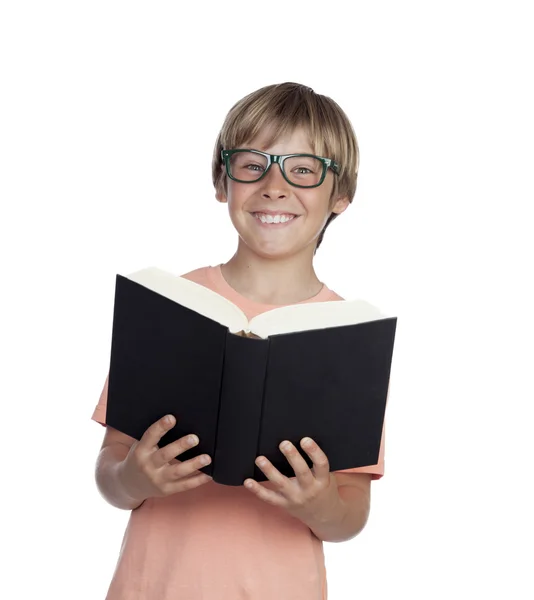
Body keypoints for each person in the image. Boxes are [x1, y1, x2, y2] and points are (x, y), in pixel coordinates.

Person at [92, 81, 387, 600]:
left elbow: (350, 516)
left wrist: (316, 504)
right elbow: (109, 468)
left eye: (303, 169)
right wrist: (135, 479)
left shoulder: (348, 334)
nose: (274, 185)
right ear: (221, 180)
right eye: (253, 163)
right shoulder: (170, 304)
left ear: (340, 196)